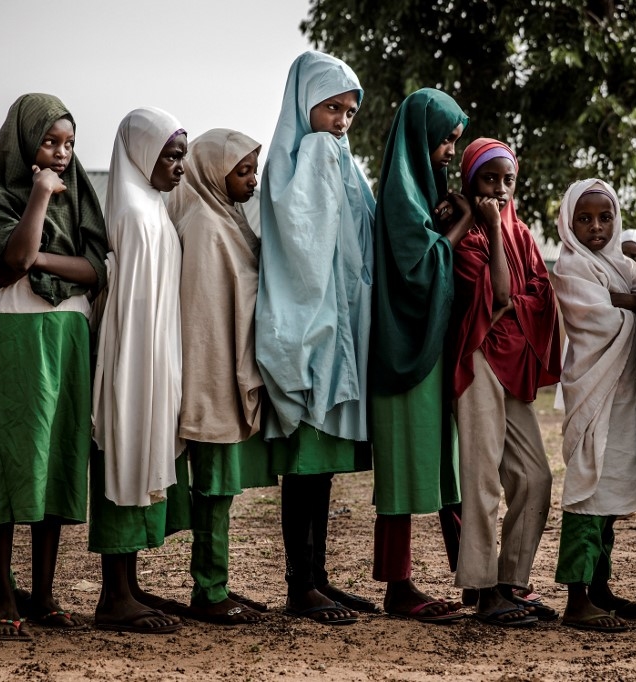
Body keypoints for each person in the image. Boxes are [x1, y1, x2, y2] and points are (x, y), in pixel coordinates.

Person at [0, 93, 109, 641]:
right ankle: (0, 593)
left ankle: (44, 592)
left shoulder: (80, 193)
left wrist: (41, 261)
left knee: (55, 456)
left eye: (68, 143)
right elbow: (13, 256)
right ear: (25, 141)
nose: (59, 153)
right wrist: (38, 196)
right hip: (21, 331)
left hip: (71, 331)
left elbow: (94, 269)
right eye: (50, 142)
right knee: (13, 456)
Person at [255, 51, 377, 625]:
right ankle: (299, 583)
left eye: (350, 111)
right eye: (331, 108)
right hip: (309, 331)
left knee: (320, 465)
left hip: (334, 331)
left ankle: (319, 578)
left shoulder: (336, 157)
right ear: (307, 106)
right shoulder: (309, 155)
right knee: (305, 464)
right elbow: (306, 244)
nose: (341, 121)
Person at [367, 87, 475, 624]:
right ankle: (398, 586)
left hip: (431, 345)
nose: (451, 152)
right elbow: (419, 264)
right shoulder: (401, 196)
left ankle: (474, 578)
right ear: (421, 136)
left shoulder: (425, 188)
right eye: (446, 141)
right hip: (402, 348)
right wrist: (459, 224)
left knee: (444, 464)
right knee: (405, 468)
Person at [449, 138, 561, 627]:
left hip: (513, 361)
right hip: (476, 361)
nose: (498, 191)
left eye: (507, 181)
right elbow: (498, 294)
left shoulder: (523, 233)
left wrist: (522, 297)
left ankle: (510, 582)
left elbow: (540, 291)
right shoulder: (469, 231)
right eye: (488, 180)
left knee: (535, 476)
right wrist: (492, 228)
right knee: (480, 480)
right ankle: (481, 588)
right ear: (471, 182)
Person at [89, 107, 190, 634]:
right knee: (123, 456)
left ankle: (129, 584)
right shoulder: (129, 209)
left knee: (140, 456)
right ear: (142, 153)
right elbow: (125, 304)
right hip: (132, 357)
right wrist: (137, 365)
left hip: (156, 354)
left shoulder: (153, 205)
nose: (178, 166)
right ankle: (113, 595)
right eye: (170, 155)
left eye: (182, 156)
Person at [174, 128, 277, 625]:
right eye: (242, 171)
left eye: (253, 170)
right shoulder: (202, 224)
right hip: (209, 375)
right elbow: (199, 315)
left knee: (221, 490)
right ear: (215, 172)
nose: (252, 181)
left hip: (225, 369)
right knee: (212, 489)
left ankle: (218, 584)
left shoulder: (227, 217)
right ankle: (209, 591)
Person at [552, 178, 636, 632]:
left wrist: (628, 297)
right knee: (587, 493)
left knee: (609, 498)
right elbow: (596, 320)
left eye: (605, 218)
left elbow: (635, 298)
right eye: (584, 219)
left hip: (623, 395)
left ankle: (600, 588)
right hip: (593, 390)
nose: (596, 227)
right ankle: (576, 598)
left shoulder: (618, 266)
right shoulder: (571, 265)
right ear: (568, 223)